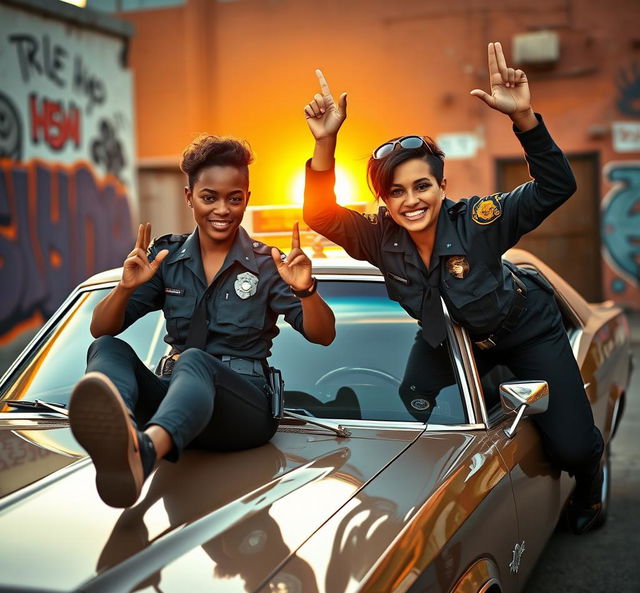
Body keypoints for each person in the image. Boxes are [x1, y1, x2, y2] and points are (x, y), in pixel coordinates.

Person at [302, 42, 604, 535]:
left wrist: (524, 117)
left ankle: (591, 486)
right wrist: (325, 143)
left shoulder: (481, 222)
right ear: (384, 200)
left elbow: (556, 187)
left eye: (421, 186)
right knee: (413, 399)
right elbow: (318, 213)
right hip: (448, 338)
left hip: (524, 330)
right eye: (395, 192)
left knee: (570, 446)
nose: (410, 200)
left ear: (442, 186)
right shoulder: (379, 238)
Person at [69, 135, 336, 509]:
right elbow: (102, 328)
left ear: (246, 196)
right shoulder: (166, 256)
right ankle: (125, 436)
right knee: (106, 348)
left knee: (194, 359)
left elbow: (323, 335)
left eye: (234, 198)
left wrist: (306, 290)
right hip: (179, 404)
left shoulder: (267, 263)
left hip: (243, 411)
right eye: (209, 197)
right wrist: (125, 288)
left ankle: (146, 453)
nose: (222, 209)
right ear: (189, 196)